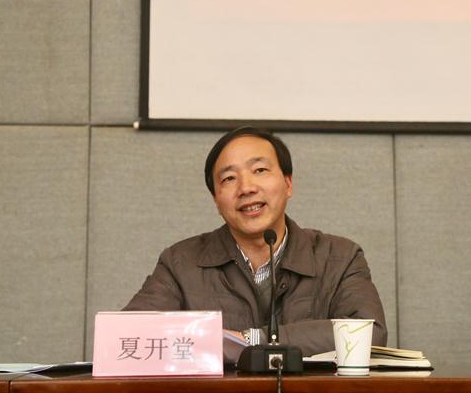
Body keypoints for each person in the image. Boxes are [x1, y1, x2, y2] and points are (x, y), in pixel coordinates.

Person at [124, 126, 387, 356]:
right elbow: (129, 334)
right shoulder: (181, 263)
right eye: (229, 178)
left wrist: (254, 339)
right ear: (216, 200)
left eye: (259, 170)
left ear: (288, 183)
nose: (246, 188)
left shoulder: (339, 257)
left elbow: (369, 334)